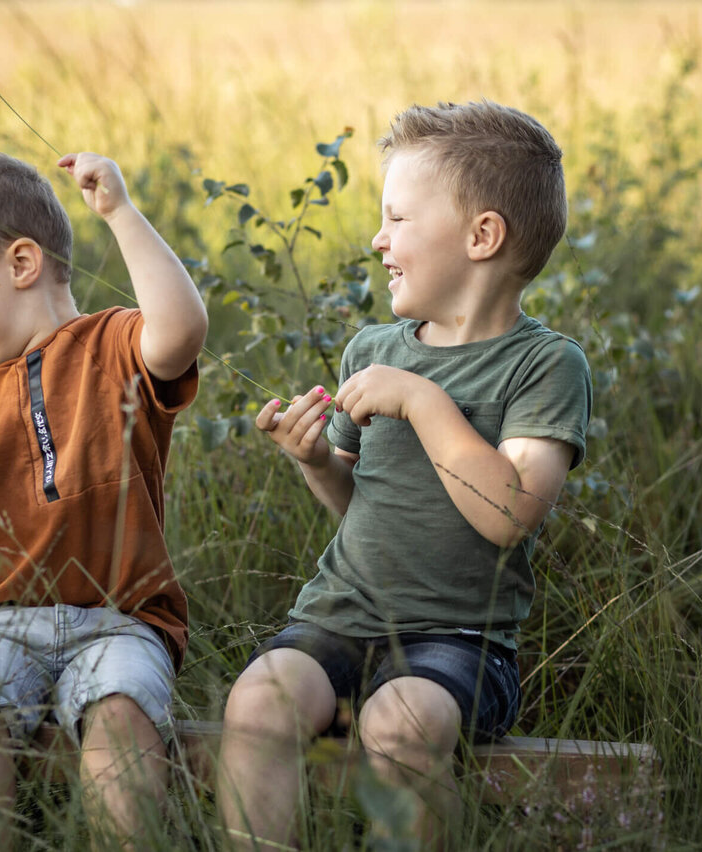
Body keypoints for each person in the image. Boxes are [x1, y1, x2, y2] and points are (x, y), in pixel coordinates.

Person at [217, 100, 592, 849]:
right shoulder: (373, 348)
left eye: (397, 220)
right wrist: (318, 460)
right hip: (340, 615)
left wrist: (423, 401)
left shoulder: (545, 366)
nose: (378, 241)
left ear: (482, 236)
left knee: (403, 725)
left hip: (460, 638)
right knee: (259, 704)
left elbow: (508, 514)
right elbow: (361, 504)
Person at [0, 150, 207, 850]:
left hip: (120, 616)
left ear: (21, 263)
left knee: (123, 721)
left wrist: (120, 212)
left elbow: (179, 332)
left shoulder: (114, 346)